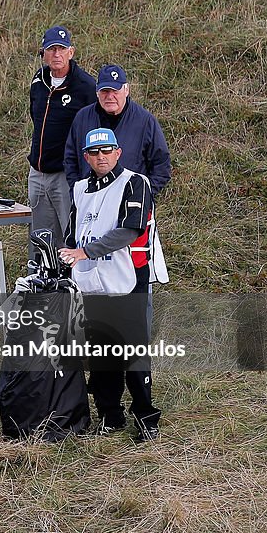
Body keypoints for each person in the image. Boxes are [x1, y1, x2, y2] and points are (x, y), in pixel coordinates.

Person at [59, 129, 162, 443]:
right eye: (95, 152)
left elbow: (129, 231)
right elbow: (71, 232)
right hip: (90, 281)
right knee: (102, 352)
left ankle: (146, 418)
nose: (101, 157)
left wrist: (84, 252)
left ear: (118, 152)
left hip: (126, 278)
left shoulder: (134, 182)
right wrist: (64, 257)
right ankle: (109, 415)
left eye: (107, 150)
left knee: (132, 350)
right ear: (87, 157)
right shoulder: (79, 188)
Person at [27, 25, 96, 262]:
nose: (56, 54)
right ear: (43, 53)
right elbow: (34, 117)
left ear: (71, 52)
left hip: (66, 176)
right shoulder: (38, 80)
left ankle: (72, 291)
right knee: (41, 238)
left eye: (62, 49)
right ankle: (40, 289)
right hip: (37, 173)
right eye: (51, 49)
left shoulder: (85, 86)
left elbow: (95, 129)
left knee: (70, 237)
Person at [64, 64, 171, 195]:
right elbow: (70, 159)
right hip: (90, 199)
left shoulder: (145, 121)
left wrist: (142, 195)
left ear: (126, 90)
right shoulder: (82, 118)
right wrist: (78, 191)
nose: (110, 97)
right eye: (105, 91)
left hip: (129, 203)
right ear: (97, 92)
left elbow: (162, 166)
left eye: (115, 91)